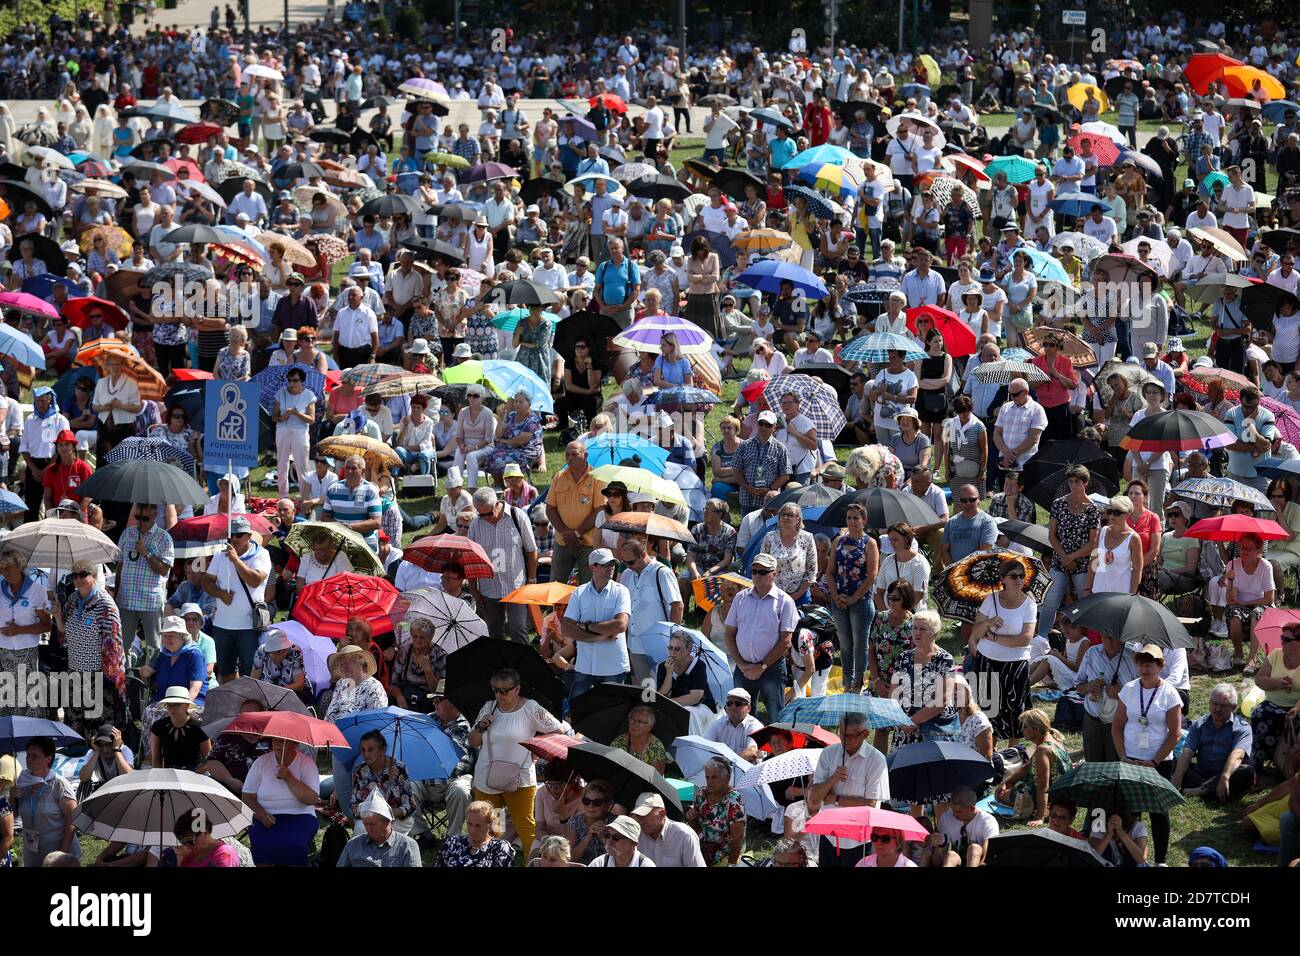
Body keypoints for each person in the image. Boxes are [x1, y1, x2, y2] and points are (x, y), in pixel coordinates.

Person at [467, 667, 567, 857]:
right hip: (488, 777)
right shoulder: (489, 707)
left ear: (517, 689)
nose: (500, 695)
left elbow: (559, 731)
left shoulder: (531, 708)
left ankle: (532, 862)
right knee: (492, 827)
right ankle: (492, 860)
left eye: (505, 690)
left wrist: (537, 748)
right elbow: (472, 741)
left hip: (521, 778)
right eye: (496, 690)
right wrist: (480, 726)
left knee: (526, 827)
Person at [1112, 643, 1183, 866]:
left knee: (1158, 812)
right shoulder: (1129, 689)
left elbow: (1175, 734)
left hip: (1157, 761)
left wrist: (1154, 761)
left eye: (1149, 664)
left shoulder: (1169, 693)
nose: (1145, 669)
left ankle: (1160, 860)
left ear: (1160, 666)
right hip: (1130, 759)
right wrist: (1123, 756)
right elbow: (1117, 726)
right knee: (1131, 813)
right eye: (1141, 664)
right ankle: (1133, 858)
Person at [809, 713, 891, 867]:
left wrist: (836, 799)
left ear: (865, 734)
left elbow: (871, 804)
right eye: (842, 734)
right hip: (829, 834)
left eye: (850, 735)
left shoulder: (876, 759)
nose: (845, 740)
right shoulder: (828, 753)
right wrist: (833, 779)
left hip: (859, 840)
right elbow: (814, 797)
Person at [723, 552, 797, 721]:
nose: (757, 576)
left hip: (771, 669)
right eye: (754, 571)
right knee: (740, 718)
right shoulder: (740, 598)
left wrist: (761, 667)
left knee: (775, 718)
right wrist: (741, 665)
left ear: (775, 574)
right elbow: (729, 634)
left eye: (763, 572)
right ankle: (745, 747)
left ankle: (776, 748)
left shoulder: (785, 601)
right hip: (743, 668)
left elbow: (785, 641)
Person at [58, 560, 127, 733]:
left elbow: (114, 647)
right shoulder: (73, 599)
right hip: (74, 671)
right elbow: (64, 631)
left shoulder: (105, 605)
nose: (78, 579)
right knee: (74, 726)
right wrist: (57, 615)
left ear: (94, 576)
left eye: (83, 574)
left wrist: (108, 682)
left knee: (97, 729)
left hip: (98, 676)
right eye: (75, 575)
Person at [201, 515, 272, 682]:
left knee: (251, 670)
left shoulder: (261, 554)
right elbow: (206, 581)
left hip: (249, 625)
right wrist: (220, 594)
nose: (234, 538)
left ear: (248, 535)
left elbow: (255, 580)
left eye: (239, 535)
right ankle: (232, 703)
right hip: (222, 625)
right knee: (226, 671)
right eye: (231, 534)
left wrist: (235, 560)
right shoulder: (220, 554)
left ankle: (250, 705)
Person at [1037, 466, 1102, 637]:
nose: (1073, 485)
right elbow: (1052, 535)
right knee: (1049, 602)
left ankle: (1084, 638)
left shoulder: (1093, 509)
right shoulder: (1058, 504)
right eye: (1070, 481)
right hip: (1059, 561)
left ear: (1085, 483)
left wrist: (1072, 557)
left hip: (1082, 564)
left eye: (1077, 481)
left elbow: (1093, 542)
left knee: (1083, 603)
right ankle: (1042, 638)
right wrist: (1065, 558)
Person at [468, 486, 538, 644]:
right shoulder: (475, 524)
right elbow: (471, 559)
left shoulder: (517, 516)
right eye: (481, 514)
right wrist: (474, 589)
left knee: (518, 631)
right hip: (488, 588)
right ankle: (501, 667)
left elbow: (532, 551)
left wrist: (531, 581)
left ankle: (523, 667)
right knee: (494, 632)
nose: (485, 518)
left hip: (516, 586)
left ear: (497, 504)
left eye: (488, 513)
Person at [562, 548, 632, 698]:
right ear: (593, 567)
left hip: (613, 666)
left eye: (612, 564)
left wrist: (586, 626)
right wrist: (598, 637)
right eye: (605, 565)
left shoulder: (622, 591)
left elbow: (620, 625)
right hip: (585, 666)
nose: (611, 568)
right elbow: (567, 628)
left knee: (612, 712)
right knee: (579, 710)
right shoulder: (579, 592)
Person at [241, 734, 321, 866]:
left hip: (300, 815)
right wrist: (261, 814)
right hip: (265, 816)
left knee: (294, 845)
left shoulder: (307, 763)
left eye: (283, 741)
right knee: (262, 845)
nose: (278, 744)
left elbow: (311, 799)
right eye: (275, 740)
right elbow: (247, 796)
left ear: (295, 743)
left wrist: (289, 778)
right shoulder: (261, 762)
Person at [827, 502, 879, 694]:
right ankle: (846, 683)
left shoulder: (869, 543)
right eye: (849, 518)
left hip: (861, 601)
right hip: (839, 599)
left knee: (860, 644)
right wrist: (835, 596)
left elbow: (872, 575)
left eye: (856, 518)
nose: (852, 521)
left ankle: (858, 684)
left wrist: (853, 598)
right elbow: (830, 572)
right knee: (845, 644)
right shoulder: (838, 541)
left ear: (864, 520)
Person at [1173, 683, 1255, 802]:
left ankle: (1197, 791)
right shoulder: (1199, 724)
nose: (1217, 709)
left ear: (1233, 707)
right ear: (1209, 704)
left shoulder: (1242, 728)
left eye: (1223, 706)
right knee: (1173, 764)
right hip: (1201, 773)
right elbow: (1188, 752)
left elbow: (1238, 755)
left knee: (1246, 772)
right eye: (1215, 704)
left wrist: (1225, 777)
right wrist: (1178, 775)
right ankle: (1212, 790)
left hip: (1228, 774)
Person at [115, 502, 175, 651]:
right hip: (126, 598)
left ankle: (151, 674)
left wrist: (146, 552)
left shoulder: (164, 538)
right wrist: (116, 595)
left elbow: (163, 570)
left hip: (150, 601)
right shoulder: (127, 534)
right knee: (122, 645)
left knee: (153, 645)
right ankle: (125, 673)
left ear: (154, 516)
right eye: (137, 517)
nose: (140, 521)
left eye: (145, 518)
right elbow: (120, 567)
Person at [995, 708, 1072, 824]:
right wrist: (1006, 782)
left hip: (1055, 796)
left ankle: (1044, 809)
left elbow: (1042, 786)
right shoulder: (1052, 739)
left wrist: (1039, 818)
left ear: (1036, 729)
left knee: (999, 795)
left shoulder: (1043, 749)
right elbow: (1027, 767)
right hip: (1062, 793)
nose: (1022, 730)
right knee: (1007, 788)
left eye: (1025, 727)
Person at [12, 736, 80, 866]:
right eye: (28, 754)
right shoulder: (22, 782)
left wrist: (61, 855)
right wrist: (12, 799)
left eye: (34, 755)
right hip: (33, 853)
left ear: (48, 759)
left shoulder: (59, 784)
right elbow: (14, 816)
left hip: (58, 855)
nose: (29, 758)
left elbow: (72, 821)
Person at [546, 440, 605, 586]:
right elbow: (550, 508)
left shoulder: (597, 477)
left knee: (589, 586)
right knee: (555, 585)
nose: (570, 458)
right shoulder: (559, 477)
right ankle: (556, 610)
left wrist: (577, 533)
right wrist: (567, 534)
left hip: (589, 544)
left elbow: (599, 510)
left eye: (574, 454)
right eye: (567, 455)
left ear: (585, 455)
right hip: (563, 541)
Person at [0, 549, 51, 717]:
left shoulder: (36, 590)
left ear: (20, 566)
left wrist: (19, 630)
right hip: (3, 652)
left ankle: (30, 738)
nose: (4, 571)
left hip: (27, 653)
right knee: (6, 699)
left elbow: (46, 625)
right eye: (1, 567)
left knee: (28, 699)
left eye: (8, 566)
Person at [1250, 622, 1300, 774]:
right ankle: (1257, 764)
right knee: (1259, 714)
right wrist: (1277, 682)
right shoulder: (1276, 654)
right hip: (1272, 703)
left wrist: (1296, 708)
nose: (1282, 641)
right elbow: (1259, 679)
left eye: (1287, 639)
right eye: (1281, 637)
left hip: (1296, 707)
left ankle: (1291, 766)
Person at [337, 791, 422, 867]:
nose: (368, 829)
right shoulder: (353, 845)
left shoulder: (407, 846)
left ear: (388, 822)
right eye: (365, 824)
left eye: (372, 824)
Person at [687, 756, 746, 866]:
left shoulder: (734, 800)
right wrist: (691, 817)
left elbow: (737, 838)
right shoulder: (701, 793)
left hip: (725, 853)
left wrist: (731, 864)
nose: (710, 781)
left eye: (714, 777)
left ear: (727, 778)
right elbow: (694, 826)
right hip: (703, 847)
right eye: (707, 777)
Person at [1085, 495, 1143, 597]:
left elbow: (1137, 571)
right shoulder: (1102, 531)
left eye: (1116, 513)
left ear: (1127, 515)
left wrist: (1132, 596)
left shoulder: (1134, 538)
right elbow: (1094, 561)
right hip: (1098, 590)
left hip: (1121, 594)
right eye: (1109, 511)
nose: (1111, 516)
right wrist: (1087, 588)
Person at [935, 785, 998, 867]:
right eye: (952, 809)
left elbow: (990, 854)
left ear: (972, 809)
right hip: (957, 861)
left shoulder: (988, 821)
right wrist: (937, 846)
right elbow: (936, 862)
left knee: (974, 849)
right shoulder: (946, 818)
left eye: (958, 812)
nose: (953, 815)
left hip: (977, 862)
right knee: (951, 855)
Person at [174, 807, 242, 868]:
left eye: (190, 841)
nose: (187, 846)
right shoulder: (189, 855)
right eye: (183, 842)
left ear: (205, 832)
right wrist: (180, 858)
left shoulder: (225, 856)